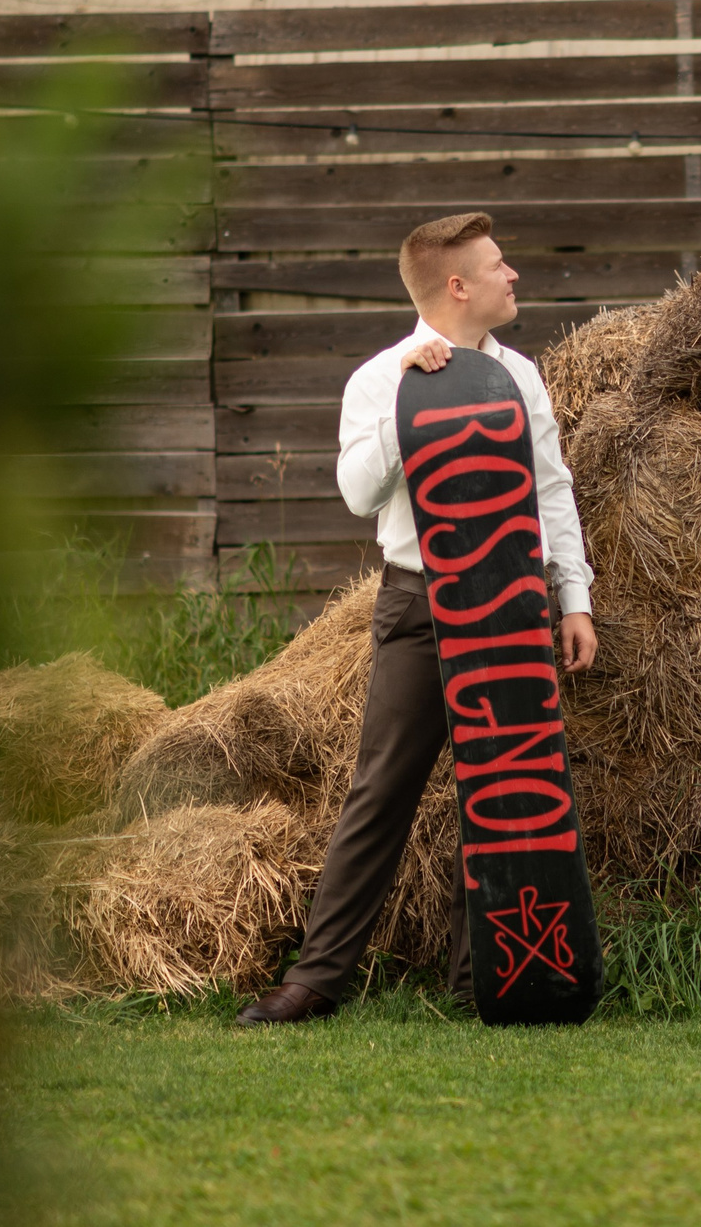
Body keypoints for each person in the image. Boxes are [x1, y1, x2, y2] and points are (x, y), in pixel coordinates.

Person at [235, 212, 597, 1025]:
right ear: (456, 285)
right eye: (499, 266)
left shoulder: (522, 376)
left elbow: (552, 490)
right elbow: (357, 492)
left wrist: (573, 598)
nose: (515, 277)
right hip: (418, 599)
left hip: (510, 601)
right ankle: (316, 979)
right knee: (381, 791)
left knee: (506, 787)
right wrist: (411, 393)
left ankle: (493, 978)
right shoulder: (377, 378)